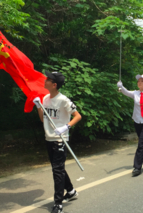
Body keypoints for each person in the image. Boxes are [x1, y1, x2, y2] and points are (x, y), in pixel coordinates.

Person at [33, 71, 82, 213]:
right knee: (58, 168)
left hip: (60, 139)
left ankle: (58, 203)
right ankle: (71, 191)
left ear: (54, 85)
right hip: (49, 137)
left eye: (48, 79)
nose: (45, 80)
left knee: (57, 170)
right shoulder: (46, 98)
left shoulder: (63, 100)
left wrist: (66, 126)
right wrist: (38, 106)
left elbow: (78, 116)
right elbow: (43, 119)